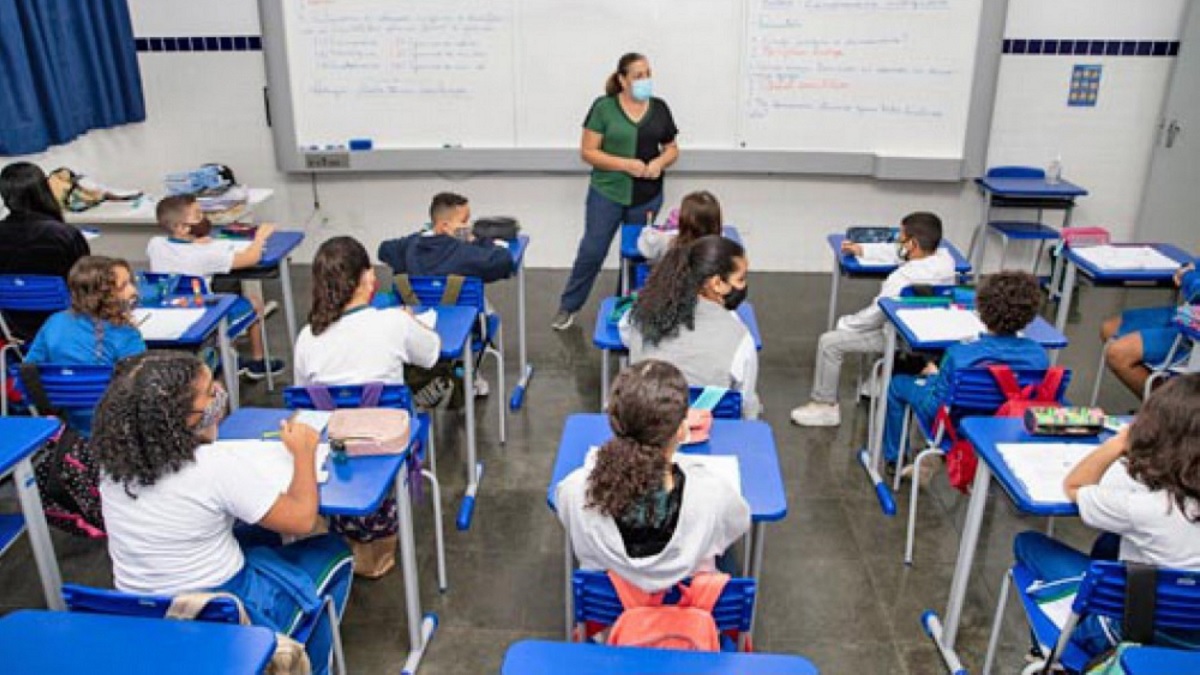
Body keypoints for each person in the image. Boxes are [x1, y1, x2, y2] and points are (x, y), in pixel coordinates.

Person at [94, 351, 352, 674]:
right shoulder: (213, 466)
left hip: (141, 615)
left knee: (264, 532)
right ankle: (312, 665)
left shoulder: (113, 466)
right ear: (178, 420)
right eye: (209, 395)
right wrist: (303, 453)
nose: (219, 397)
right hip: (221, 609)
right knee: (335, 551)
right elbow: (302, 519)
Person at [1010, 373, 1200, 659]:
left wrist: (1121, 442)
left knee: (1028, 543)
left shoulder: (1146, 509)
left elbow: (1074, 485)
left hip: (1128, 633)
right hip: (1192, 643)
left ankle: (1048, 654)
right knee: (1109, 544)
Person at [293, 236, 440, 577]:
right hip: (385, 442)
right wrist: (410, 320)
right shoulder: (392, 322)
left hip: (334, 443)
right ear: (367, 278)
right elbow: (432, 353)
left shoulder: (306, 337)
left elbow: (304, 397)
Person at [555, 360, 751, 591]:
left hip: (611, 616)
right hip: (688, 615)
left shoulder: (575, 489)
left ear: (614, 422)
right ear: (681, 430)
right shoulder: (713, 493)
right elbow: (738, 524)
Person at [791, 212, 957, 427]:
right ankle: (875, 382)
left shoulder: (902, 279)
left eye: (901, 240)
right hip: (932, 337)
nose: (899, 244)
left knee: (829, 342)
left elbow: (875, 315)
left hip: (899, 339)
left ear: (913, 244)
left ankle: (825, 406)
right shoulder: (946, 262)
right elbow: (901, 254)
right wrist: (865, 250)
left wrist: (846, 324)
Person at [553, 52, 679, 330]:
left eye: (648, 73)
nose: (645, 80)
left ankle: (628, 309)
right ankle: (568, 306)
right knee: (593, 251)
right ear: (622, 80)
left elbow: (671, 148)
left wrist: (659, 162)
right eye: (638, 75)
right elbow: (588, 152)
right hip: (607, 192)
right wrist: (624, 164)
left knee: (635, 255)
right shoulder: (603, 108)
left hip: (646, 195)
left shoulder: (660, 108)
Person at [880, 270, 1049, 478]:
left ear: (982, 309)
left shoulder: (960, 352)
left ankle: (895, 459)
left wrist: (934, 375)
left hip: (953, 423)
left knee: (898, 385)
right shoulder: (1039, 355)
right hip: (1004, 422)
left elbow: (935, 404)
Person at [621, 235, 760, 418]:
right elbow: (745, 405)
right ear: (717, 284)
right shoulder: (740, 339)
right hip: (711, 436)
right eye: (741, 279)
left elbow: (625, 335)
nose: (744, 286)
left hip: (646, 427)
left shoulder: (641, 315)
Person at [146, 194, 282, 380]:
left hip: (171, 310)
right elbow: (252, 258)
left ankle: (231, 358)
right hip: (205, 315)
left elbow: (179, 248)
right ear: (181, 227)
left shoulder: (155, 245)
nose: (203, 218)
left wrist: (193, 240)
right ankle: (257, 362)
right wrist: (260, 237)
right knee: (254, 302)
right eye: (197, 215)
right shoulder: (205, 255)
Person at [25, 256, 147, 433]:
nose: (133, 291)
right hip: (115, 431)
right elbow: (140, 386)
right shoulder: (126, 335)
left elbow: (29, 372)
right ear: (102, 295)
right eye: (124, 286)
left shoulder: (54, 322)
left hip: (64, 430)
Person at [0, 161, 91, 341]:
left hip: (10, 329)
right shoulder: (66, 235)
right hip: (66, 327)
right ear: (43, 190)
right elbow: (87, 286)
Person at [1098, 261, 1200, 397]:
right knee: (1110, 328)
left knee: (1118, 353)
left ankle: (1167, 412)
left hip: (1193, 332)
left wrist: (1187, 275)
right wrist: (1189, 268)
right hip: (1189, 312)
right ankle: (1166, 402)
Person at [377, 191, 513, 283]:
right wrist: (479, 241)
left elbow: (384, 250)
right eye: (464, 221)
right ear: (444, 226)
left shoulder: (410, 244)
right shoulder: (463, 253)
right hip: (462, 319)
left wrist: (419, 236)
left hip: (415, 315)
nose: (468, 226)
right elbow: (504, 261)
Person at [636, 190, 723, 264]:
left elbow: (645, 246)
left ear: (683, 220)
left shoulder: (664, 242)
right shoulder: (722, 249)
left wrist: (648, 229)